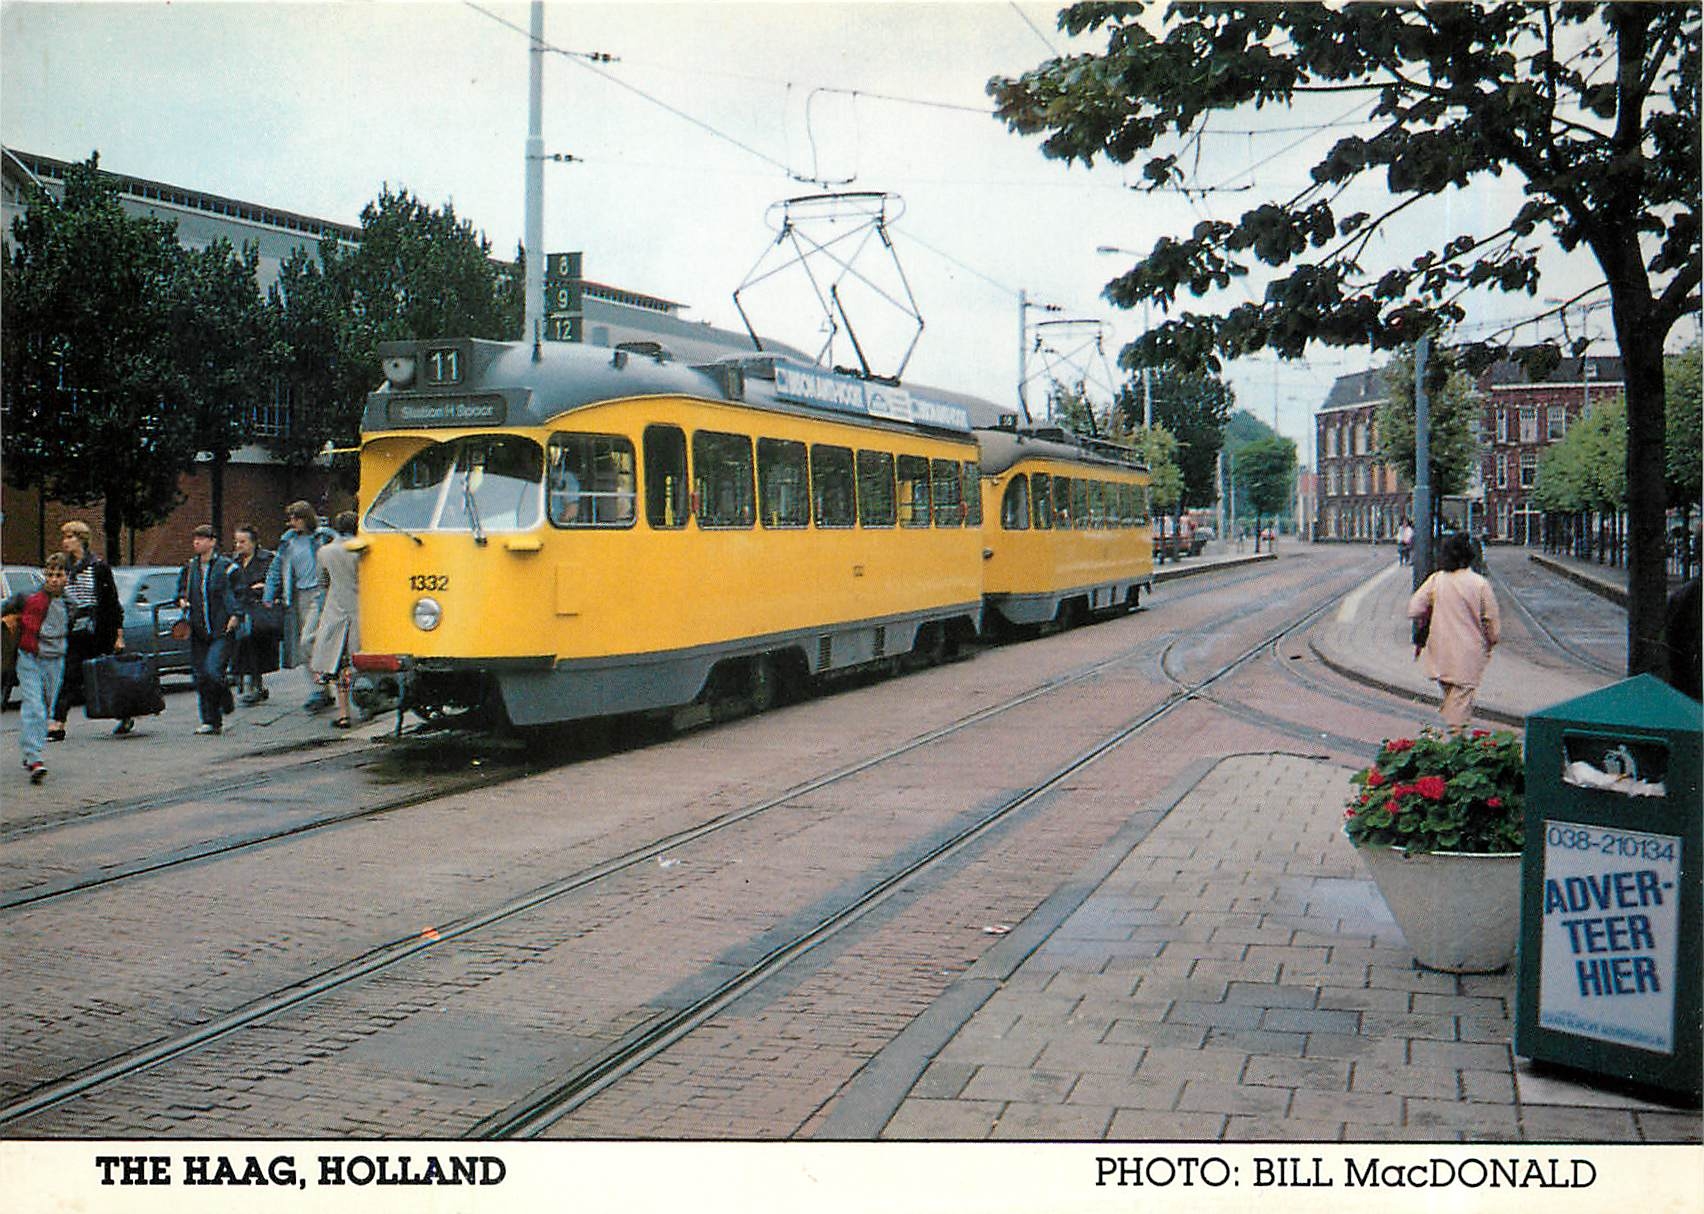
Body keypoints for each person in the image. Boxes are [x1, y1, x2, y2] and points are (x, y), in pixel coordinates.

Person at [1408, 531, 1501, 731]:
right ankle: (1455, 746)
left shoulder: (1437, 580)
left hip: (1440, 651)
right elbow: (1492, 623)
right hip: (1468, 654)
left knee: (1452, 697)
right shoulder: (1480, 584)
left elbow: (1414, 608)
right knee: (1460, 704)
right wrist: (1490, 641)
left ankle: (1449, 736)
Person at [49, 520, 127, 740]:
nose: (65, 542)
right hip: (75, 631)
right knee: (69, 676)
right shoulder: (64, 568)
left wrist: (118, 635)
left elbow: (112, 602)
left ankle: (125, 713)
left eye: (70, 537)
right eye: (64, 537)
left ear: (81, 539)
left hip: (99, 631)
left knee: (107, 677)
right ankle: (58, 723)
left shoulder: (98, 567)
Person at [263, 501, 338, 712]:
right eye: (291, 519)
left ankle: (325, 680)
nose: (292, 523)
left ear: (306, 518)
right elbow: (276, 569)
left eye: (296, 518)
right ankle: (319, 690)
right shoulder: (288, 542)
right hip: (298, 596)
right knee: (302, 645)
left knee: (311, 640)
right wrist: (269, 594)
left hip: (321, 592)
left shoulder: (323, 536)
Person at [4, 554, 70, 783]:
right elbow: (5, 609)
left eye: (59, 575)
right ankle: (34, 757)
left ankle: (30, 752)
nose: (53, 580)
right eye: (50, 574)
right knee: (35, 707)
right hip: (30, 657)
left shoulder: (70, 603)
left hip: (55, 659)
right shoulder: (29, 598)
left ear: (67, 578)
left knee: (47, 708)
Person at [175, 524, 240, 735]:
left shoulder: (226, 566)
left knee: (213, 671)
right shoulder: (190, 567)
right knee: (201, 676)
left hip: (222, 629)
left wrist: (236, 615)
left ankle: (225, 698)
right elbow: (181, 591)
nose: (197, 542)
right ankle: (211, 720)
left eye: (202, 539)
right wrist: (182, 600)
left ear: (212, 542)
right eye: (195, 539)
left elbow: (240, 592)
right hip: (198, 629)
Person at [309, 511, 361, 729]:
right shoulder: (363, 550)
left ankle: (344, 714)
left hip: (335, 609)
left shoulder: (325, 552)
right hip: (361, 609)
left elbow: (322, 582)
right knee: (359, 661)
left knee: (340, 665)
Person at [229, 524, 278, 705]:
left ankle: (254, 684)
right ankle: (250, 683)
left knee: (253, 643)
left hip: (259, 611)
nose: (239, 546)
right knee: (242, 644)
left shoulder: (268, 560)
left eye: (243, 542)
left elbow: (274, 582)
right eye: (237, 542)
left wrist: (266, 589)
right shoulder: (233, 563)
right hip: (240, 608)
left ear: (254, 542)